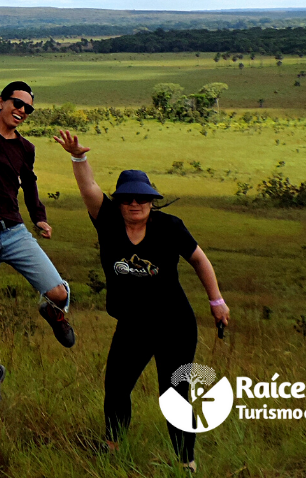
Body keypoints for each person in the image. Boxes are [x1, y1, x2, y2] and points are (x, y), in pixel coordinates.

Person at [53, 129, 231, 474]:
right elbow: (89, 189)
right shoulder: (107, 221)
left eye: (142, 199)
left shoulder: (169, 226)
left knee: (174, 393)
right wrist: (78, 157)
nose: (135, 204)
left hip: (175, 324)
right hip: (133, 324)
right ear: (119, 201)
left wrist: (217, 301)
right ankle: (112, 445)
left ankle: (186, 462)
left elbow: (199, 260)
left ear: (152, 201)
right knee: (117, 385)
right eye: (128, 199)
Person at [0, 13, 75, 414]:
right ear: (0, 102)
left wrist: (39, 215)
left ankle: (50, 309)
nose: (22, 110)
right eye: (17, 103)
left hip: (12, 231)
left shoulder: (25, 148)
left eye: (28, 108)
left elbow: (30, 182)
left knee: (59, 292)